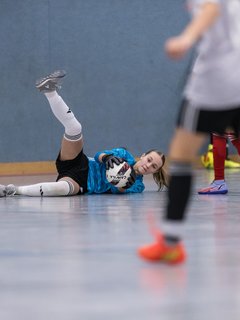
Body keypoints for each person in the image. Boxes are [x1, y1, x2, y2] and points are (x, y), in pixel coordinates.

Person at [138, 0, 240, 264]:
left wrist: (186, 38)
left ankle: (171, 243)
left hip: (218, 80)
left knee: (181, 156)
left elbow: (210, 9)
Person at [0, 70, 168, 198]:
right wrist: (108, 158)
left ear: (154, 172)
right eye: (149, 159)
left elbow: (118, 191)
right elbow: (98, 154)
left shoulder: (139, 186)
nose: (148, 165)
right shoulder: (125, 155)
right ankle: (49, 90)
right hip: (81, 163)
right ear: (144, 155)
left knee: (62, 189)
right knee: (74, 128)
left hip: (82, 183)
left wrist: (123, 182)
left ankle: (13, 190)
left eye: (154, 166)